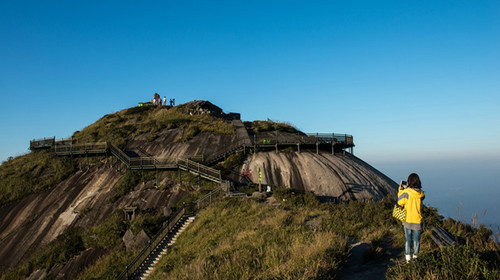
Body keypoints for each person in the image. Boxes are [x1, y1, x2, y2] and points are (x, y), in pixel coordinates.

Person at [397, 173, 425, 263]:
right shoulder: (421, 194)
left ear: (409, 181)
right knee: (416, 240)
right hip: (417, 220)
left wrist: (401, 190)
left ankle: (408, 259)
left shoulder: (406, 192)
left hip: (407, 219)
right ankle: (416, 258)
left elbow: (400, 202)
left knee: (408, 240)